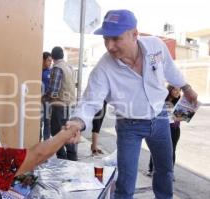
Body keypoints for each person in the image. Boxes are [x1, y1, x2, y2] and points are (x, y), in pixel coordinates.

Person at [68, 9, 198, 199]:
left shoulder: (155, 46)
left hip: (160, 117)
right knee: (126, 179)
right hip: (129, 125)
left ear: (134, 34)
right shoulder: (104, 68)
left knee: (165, 170)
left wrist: (186, 88)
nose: (109, 46)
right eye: (106, 39)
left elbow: (170, 70)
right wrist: (78, 121)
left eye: (115, 39)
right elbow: (90, 100)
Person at [45, 46, 77, 161]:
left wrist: (44, 98)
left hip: (60, 105)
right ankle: (72, 158)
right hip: (70, 105)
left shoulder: (57, 68)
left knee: (57, 133)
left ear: (52, 57)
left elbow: (54, 90)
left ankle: (62, 158)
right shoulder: (69, 67)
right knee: (68, 131)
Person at [148, 85, 182, 178]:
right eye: (175, 90)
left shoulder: (179, 102)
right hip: (161, 127)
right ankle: (151, 168)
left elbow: (181, 117)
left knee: (172, 150)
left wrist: (183, 116)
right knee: (157, 148)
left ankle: (170, 172)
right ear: (170, 89)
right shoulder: (162, 99)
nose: (177, 92)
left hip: (174, 129)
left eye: (179, 90)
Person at [40, 52, 52, 141]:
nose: (50, 62)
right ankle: (38, 140)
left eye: (51, 61)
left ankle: (46, 140)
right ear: (43, 60)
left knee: (47, 121)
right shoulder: (38, 71)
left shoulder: (51, 72)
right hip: (39, 100)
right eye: (48, 60)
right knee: (39, 122)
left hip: (48, 100)